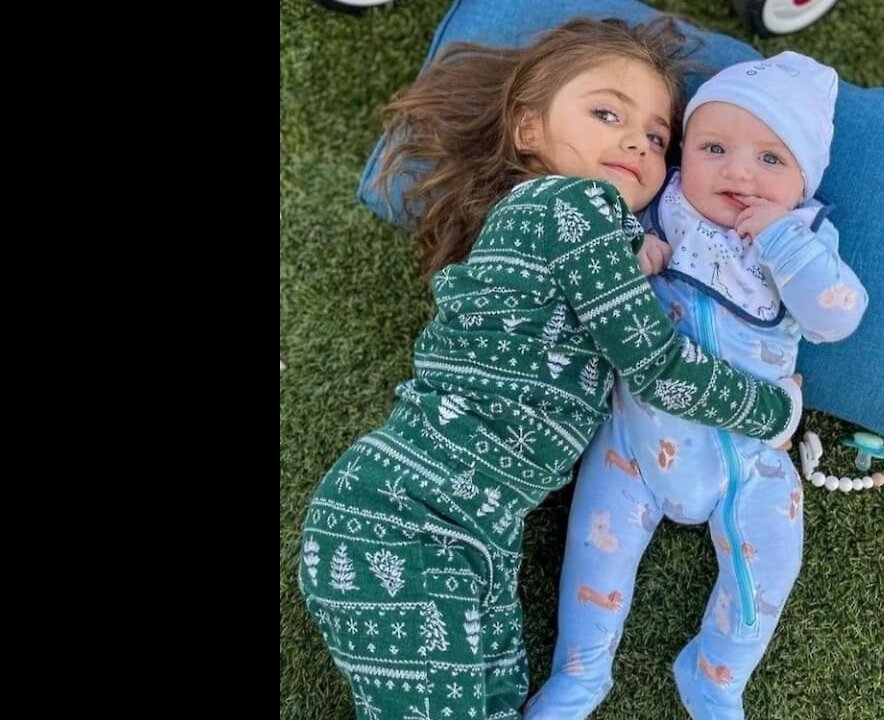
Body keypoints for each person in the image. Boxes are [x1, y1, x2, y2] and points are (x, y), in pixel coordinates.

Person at [296, 18, 803, 720]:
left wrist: (637, 254)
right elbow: (655, 366)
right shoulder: (572, 203)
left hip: (478, 536)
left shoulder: (560, 227)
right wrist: (774, 411)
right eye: (606, 114)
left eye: (658, 138)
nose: (636, 141)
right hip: (399, 522)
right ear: (528, 129)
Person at [527, 51, 866, 720]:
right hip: (633, 437)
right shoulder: (664, 206)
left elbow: (839, 316)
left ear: (804, 179)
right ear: (686, 154)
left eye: (771, 160)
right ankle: (581, 671)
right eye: (714, 147)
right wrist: (635, 256)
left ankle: (716, 674)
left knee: (769, 563)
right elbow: (601, 267)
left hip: (747, 456)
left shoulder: (804, 237)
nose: (739, 171)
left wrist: (784, 245)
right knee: (594, 555)